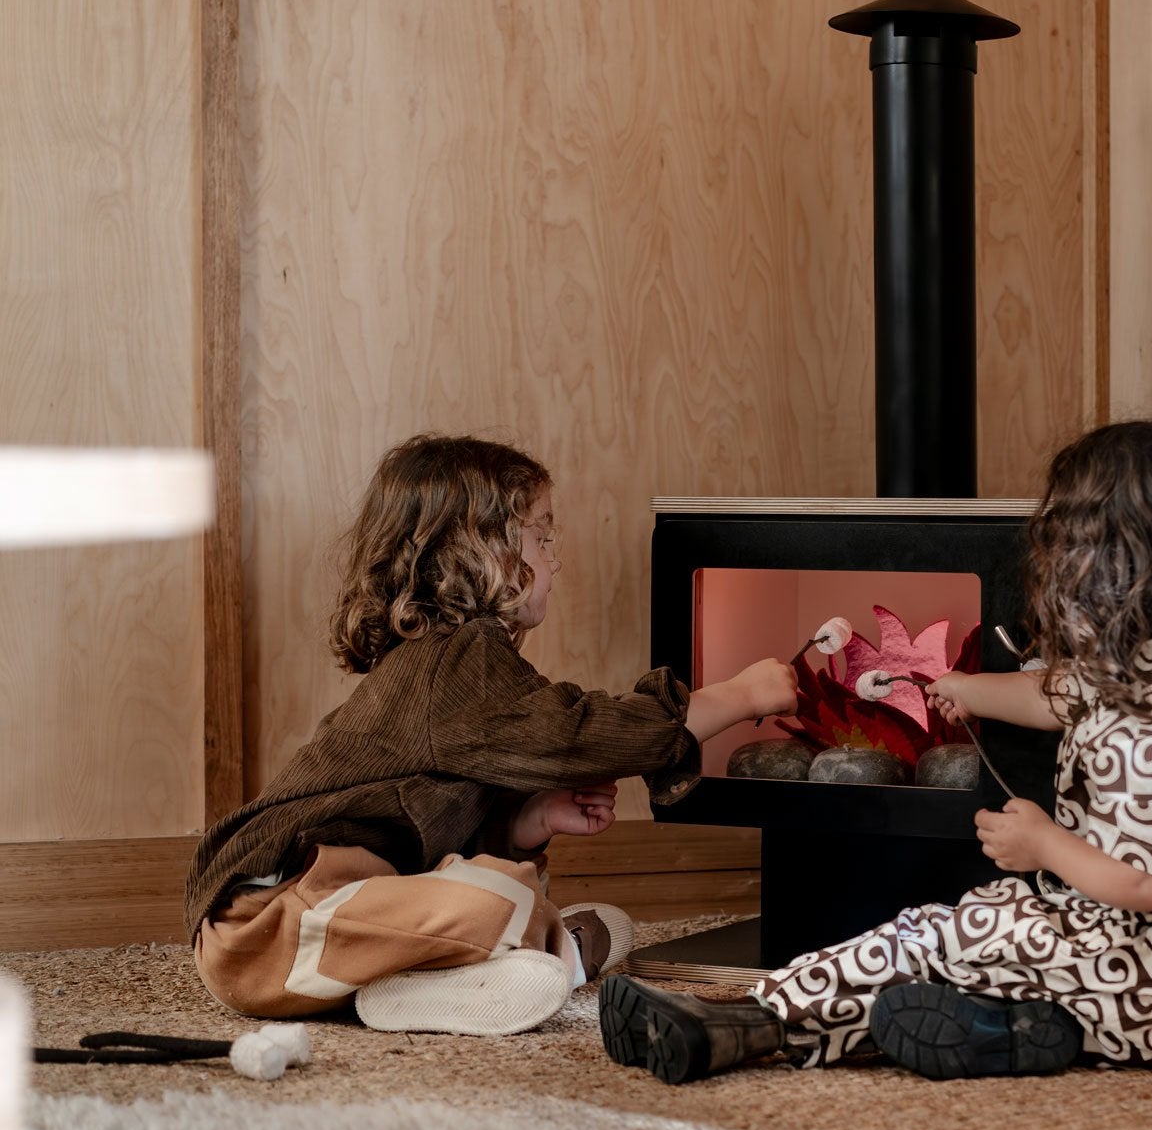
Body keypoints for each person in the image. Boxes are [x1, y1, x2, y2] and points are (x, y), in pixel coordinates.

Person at [599, 416, 1152, 1081]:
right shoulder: (1148, 670)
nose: (1059, 568)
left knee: (955, 937)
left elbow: (1146, 885)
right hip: (1117, 954)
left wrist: (1042, 844)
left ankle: (985, 1027)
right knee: (944, 933)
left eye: (1077, 550)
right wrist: (965, 686)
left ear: (1145, 564)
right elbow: (1055, 696)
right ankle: (755, 1028)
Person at [185, 434, 796, 1036]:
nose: (554, 559)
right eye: (542, 536)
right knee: (500, 898)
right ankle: (545, 956)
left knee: (502, 889)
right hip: (271, 929)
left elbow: (427, 824)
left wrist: (528, 820)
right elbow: (575, 734)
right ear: (478, 549)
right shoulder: (455, 657)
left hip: (335, 930)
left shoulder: (456, 666)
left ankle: (432, 982)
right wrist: (735, 696)